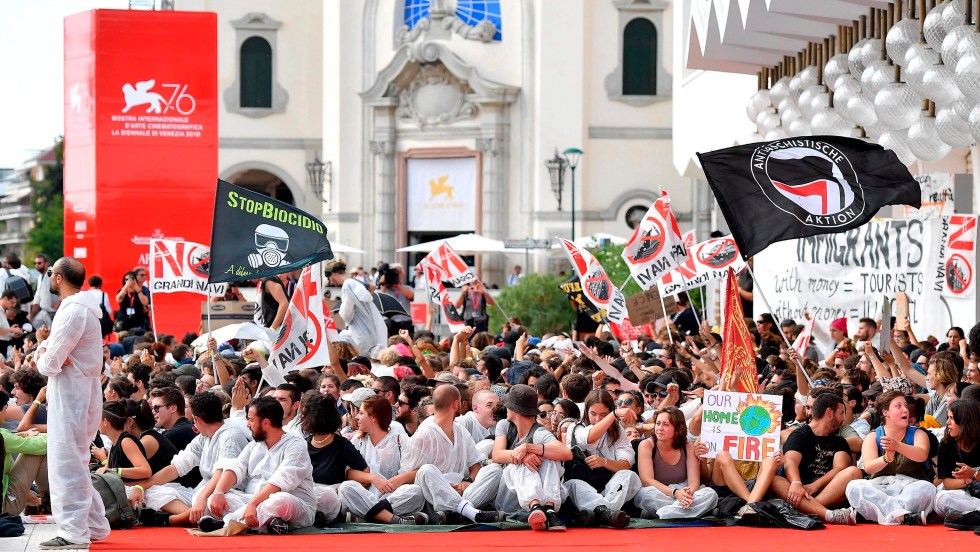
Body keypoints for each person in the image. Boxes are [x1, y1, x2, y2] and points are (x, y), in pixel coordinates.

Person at [36, 257, 112, 549]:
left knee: (65, 463)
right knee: (75, 461)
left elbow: (48, 364)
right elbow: (56, 357)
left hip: (72, 394)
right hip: (79, 391)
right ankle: (92, 525)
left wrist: (42, 348)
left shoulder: (73, 310)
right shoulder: (82, 307)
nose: (48, 276)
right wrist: (49, 350)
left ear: (58, 278)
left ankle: (73, 532)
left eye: (50, 272)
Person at [196, 396, 316, 534]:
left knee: (280, 500)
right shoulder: (254, 445)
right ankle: (266, 524)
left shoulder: (295, 445)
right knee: (212, 498)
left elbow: (280, 482)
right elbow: (236, 468)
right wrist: (219, 492)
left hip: (294, 505)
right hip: (252, 502)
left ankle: (228, 523)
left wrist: (253, 504)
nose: (248, 425)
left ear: (265, 423)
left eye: (251, 420)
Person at [131, 392, 250, 527]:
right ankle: (194, 516)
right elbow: (176, 468)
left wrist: (202, 498)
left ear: (197, 419)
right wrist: (140, 487)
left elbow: (222, 474)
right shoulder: (203, 437)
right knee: (152, 490)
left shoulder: (231, 436)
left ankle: (177, 518)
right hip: (202, 493)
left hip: (228, 494)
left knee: (210, 500)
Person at [404, 385, 506, 523]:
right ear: (456, 404)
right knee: (426, 470)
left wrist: (467, 480)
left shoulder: (460, 430)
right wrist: (444, 486)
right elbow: (410, 476)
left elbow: (475, 464)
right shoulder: (422, 435)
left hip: (465, 492)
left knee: (495, 470)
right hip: (436, 498)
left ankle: (457, 514)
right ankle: (469, 512)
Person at [489, 384, 573, 531]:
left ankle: (548, 510)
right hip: (509, 499)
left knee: (550, 458)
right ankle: (537, 507)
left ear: (514, 409)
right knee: (522, 461)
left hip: (539, 497)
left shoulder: (539, 432)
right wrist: (524, 455)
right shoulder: (504, 425)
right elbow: (496, 455)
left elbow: (566, 453)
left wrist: (528, 448)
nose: (505, 407)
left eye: (508, 404)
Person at [770, 392, 862, 525]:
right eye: (841, 413)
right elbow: (790, 462)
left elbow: (840, 468)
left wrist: (815, 485)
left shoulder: (839, 441)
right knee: (774, 480)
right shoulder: (800, 435)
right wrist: (796, 484)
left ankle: (804, 511)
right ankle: (827, 514)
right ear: (829, 413)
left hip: (827, 490)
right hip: (797, 490)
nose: (843, 419)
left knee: (854, 472)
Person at [844, 391, 934, 525]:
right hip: (880, 487)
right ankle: (902, 516)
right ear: (885, 412)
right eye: (898, 406)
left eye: (905, 405)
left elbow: (922, 455)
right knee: (853, 486)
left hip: (909, 487)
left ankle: (879, 514)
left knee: (927, 488)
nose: (905, 409)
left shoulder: (918, 433)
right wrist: (886, 458)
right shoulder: (873, 436)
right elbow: (869, 468)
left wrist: (898, 446)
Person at [337, 395, 427, 524]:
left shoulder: (400, 440)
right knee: (346, 488)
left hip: (391, 496)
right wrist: (374, 479)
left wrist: (395, 481)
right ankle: (393, 519)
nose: (356, 417)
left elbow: (415, 471)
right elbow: (348, 473)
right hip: (365, 495)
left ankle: (367, 515)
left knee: (416, 492)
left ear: (373, 417)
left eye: (361, 413)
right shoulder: (358, 441)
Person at [562, 390, 641, 528]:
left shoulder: (618, 431)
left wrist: (604, 462)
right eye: (593, 414)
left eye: (603, 414)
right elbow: (589, 438)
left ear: (609, 411)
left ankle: (602, 512)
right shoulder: (575, 428)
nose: (598, 419)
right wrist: (614, 414)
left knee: (629, 475)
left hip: (609, 488)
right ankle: (608, 515)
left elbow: (626, 464)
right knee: (574, 485)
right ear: (586, 411)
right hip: (582, 486)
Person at [634, 407, 718, 519]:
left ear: (678, 428)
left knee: (710, 494)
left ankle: (664, 514)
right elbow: (647, 480)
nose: (660, 428)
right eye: (658, 424)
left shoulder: (688, 446)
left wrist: (687, 494)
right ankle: (686, 512)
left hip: (684, 490)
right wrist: (675, 493)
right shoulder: (646, 445)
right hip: (660, 492)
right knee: (647, 495)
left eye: (665, 424)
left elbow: (694, 482)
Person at [300, 392, 369, 527]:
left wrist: (339, 492)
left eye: (304, 414)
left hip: (332, 501)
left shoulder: (342, 444)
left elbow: (365, 475)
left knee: (324, 495)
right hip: (306, 498)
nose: (301, 417)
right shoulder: (302, 444)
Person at [0, 389, 48, 516]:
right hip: (6, 507)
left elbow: (12, 437)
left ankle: (36, 499)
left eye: (17, 387)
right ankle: (47, 500)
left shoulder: (5, 436)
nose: (13, 391)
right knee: (35, 451)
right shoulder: (3, 436)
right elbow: (42, 444)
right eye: (5, 408)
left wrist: (23, 435)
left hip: (7, 497)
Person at [933, 400, 980, 529]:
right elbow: (947, 483)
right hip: (966, 497)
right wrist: (965, 480)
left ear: (965, 421)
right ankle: (974, 514)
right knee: (941, 500)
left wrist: (974, 474)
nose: (947, 423)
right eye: (948, 418)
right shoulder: (945, 445)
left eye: (952, 418)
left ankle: (969, 517)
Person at [325, 260, 387, 358]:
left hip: (359, 335)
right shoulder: (353, 282)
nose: (331, 282)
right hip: (370, 332)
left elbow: (346, 315)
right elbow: (372, 287)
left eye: (329, 278)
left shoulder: (347, 285)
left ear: (333, 274)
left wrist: (342, 310)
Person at [30, 254, 58, 328]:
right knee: (32, 326)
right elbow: (37, 298)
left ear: (46, 264)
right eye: (35, 263)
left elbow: (64, 286)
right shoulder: (40, 277)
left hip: (54, 312)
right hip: (43, 311)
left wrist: (60, 303)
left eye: (39, 263)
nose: (36, 265)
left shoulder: (52, 272)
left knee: (53, 332)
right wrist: (31, 316)